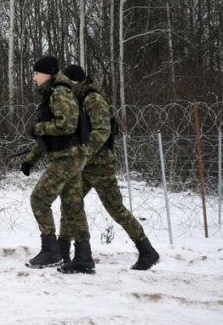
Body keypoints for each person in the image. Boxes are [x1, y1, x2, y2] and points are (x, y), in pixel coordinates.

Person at [59, 64, 159, 271]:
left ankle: (147, 251)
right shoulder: (76, 100)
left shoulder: (93, 99)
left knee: (116, 209)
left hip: (100, 165)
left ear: (74, 82)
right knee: (69, 203)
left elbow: (102, 131)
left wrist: (83, 150)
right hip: (84, 165)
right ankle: (62, 251)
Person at [20, 56, 93, 272]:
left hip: (67, 157)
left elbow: (66, 125)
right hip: (71, 155)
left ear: (48, 74)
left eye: (36, 74)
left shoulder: (59, 91)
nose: (34, 78)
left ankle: (51, 251)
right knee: (73, 206)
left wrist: (39, 128)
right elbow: (55, 137)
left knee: (39, 199)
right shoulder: (55, 91)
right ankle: (83, 257)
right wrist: (30, 159)